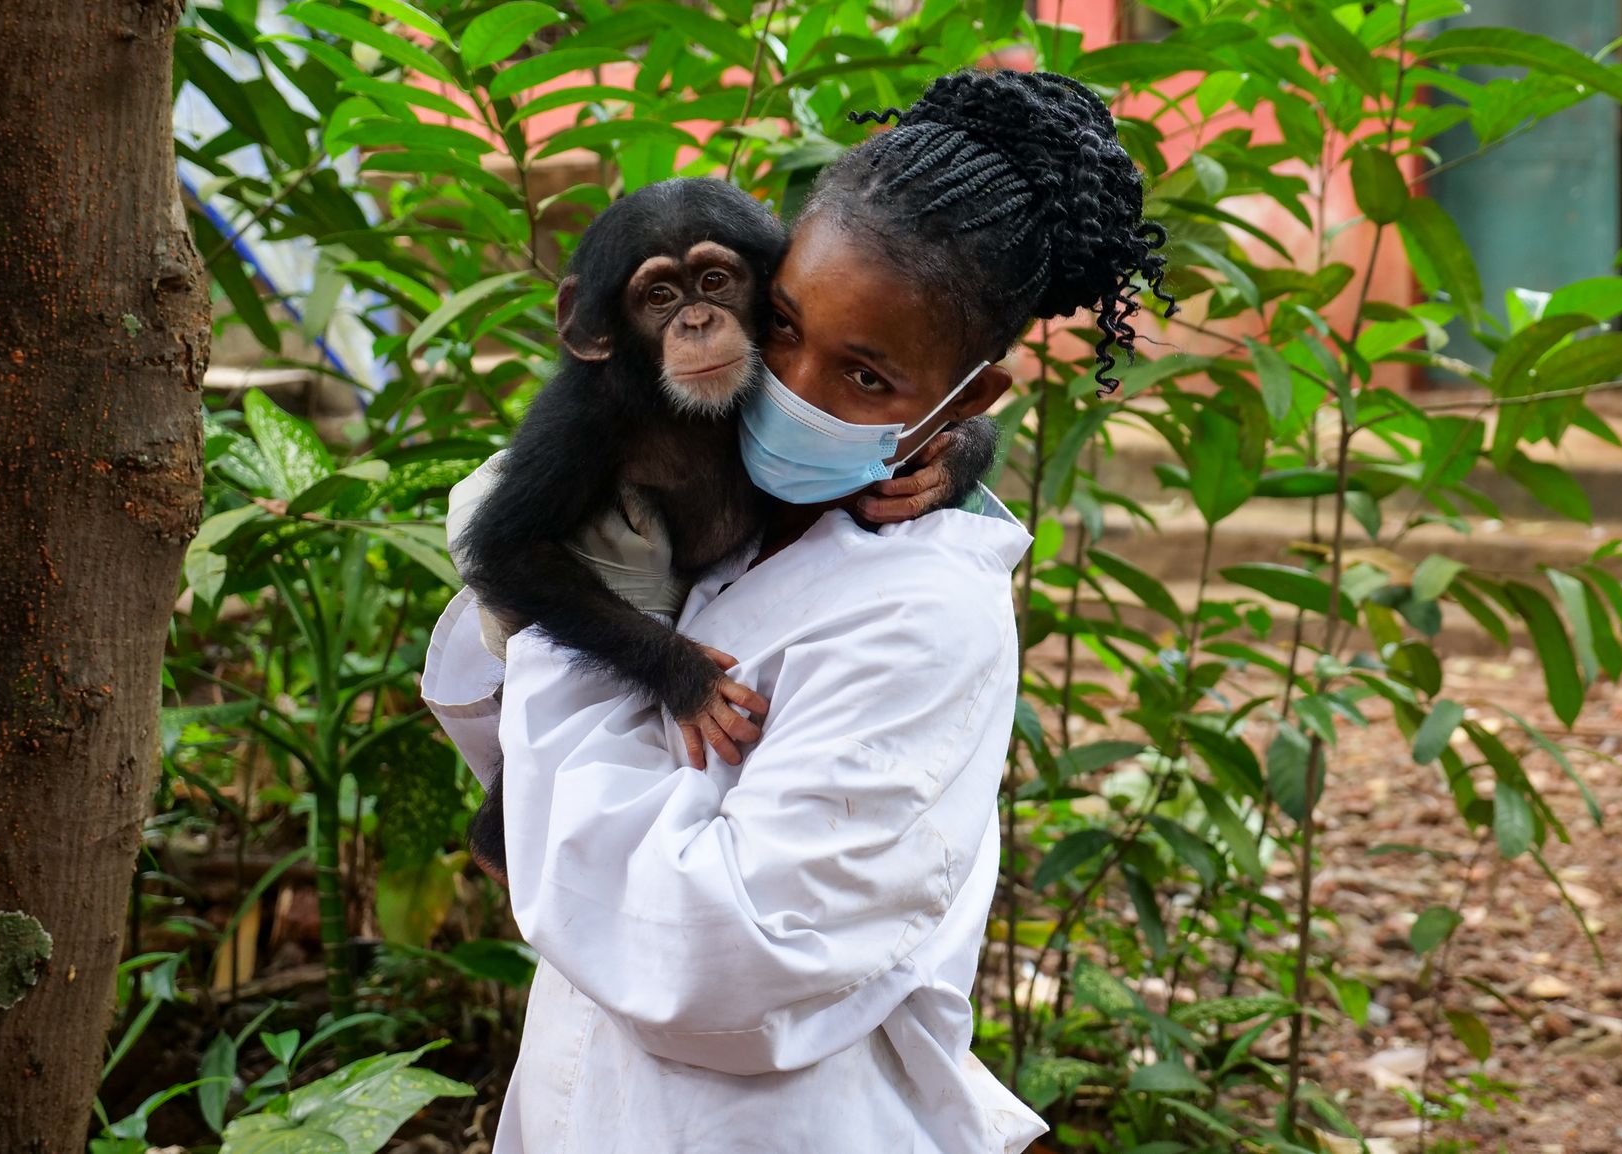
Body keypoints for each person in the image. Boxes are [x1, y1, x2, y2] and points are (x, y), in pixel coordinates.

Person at [422, 68, 1169, 1154]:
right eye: (779, 325)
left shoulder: (919, 611)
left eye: (864, 378)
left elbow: (716, 959)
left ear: (962, 402)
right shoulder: (700, 439)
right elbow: (487, 696)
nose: (792, 386)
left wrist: (571, 647)